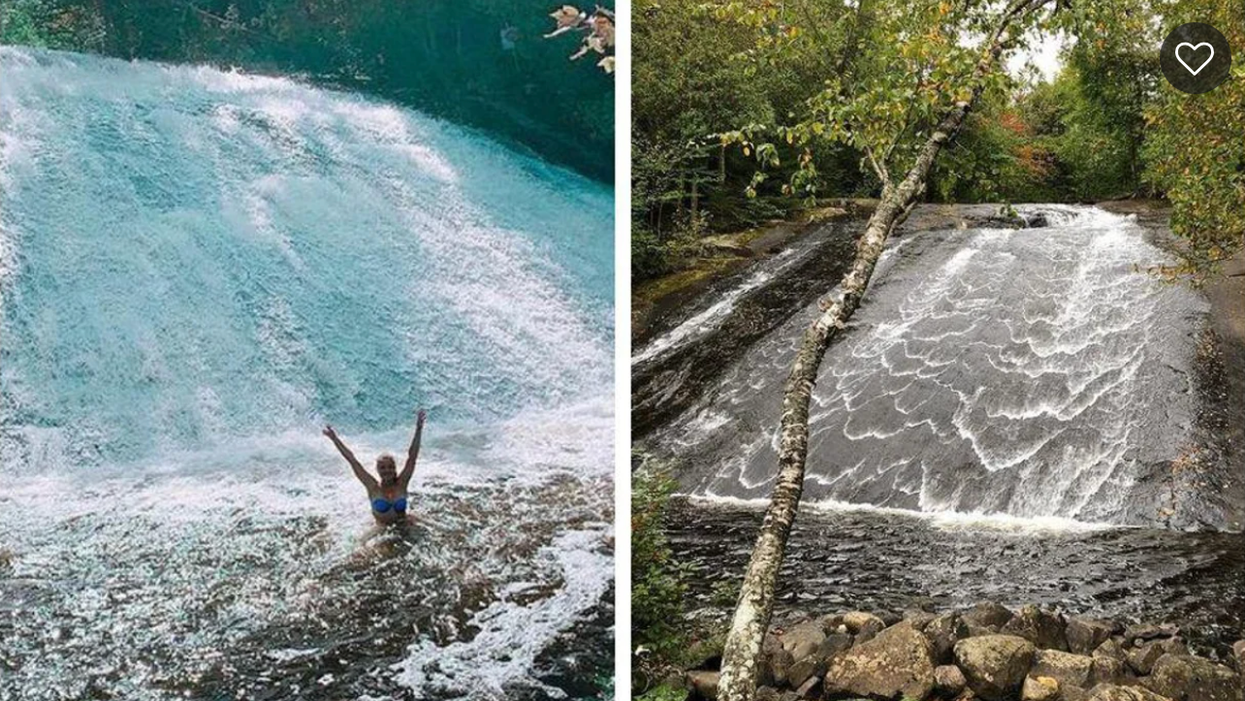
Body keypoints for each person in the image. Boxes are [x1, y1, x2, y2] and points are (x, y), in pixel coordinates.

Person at [323, 409, 426, 525]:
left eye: (390, 467)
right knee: (361, 543)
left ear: (395, 468)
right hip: (382, 529)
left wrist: (418, 429)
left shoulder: (402, 483)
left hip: (405, 523)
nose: (387, 470)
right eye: (383, 468)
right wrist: (335, 439)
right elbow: (352, 460)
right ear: (377, 470)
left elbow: (412, 457)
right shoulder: (372, 486)